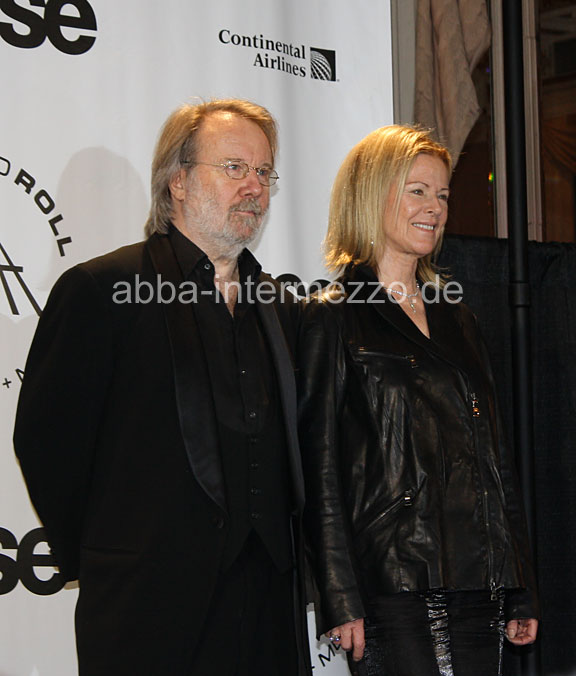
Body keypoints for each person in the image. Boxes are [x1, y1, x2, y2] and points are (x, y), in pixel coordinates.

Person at [14, 98, 311, 676]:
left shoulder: (278, 304)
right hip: (146, 611)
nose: (254, 187)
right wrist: (110, 556)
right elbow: (47, 442)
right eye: (234, 168)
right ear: (178, 181)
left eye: (264, 172)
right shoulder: (102, 290)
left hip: (268, 607)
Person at [298, 125, 539, 676]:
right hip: (391, 582)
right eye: (417, 191)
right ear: (372, 195)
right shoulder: (333, 316)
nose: (435, 208)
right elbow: (321, 469)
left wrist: (520, 583)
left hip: (480, 578)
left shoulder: (460, 320)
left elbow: (496, 462)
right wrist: (339, 595)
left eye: (443, 194)